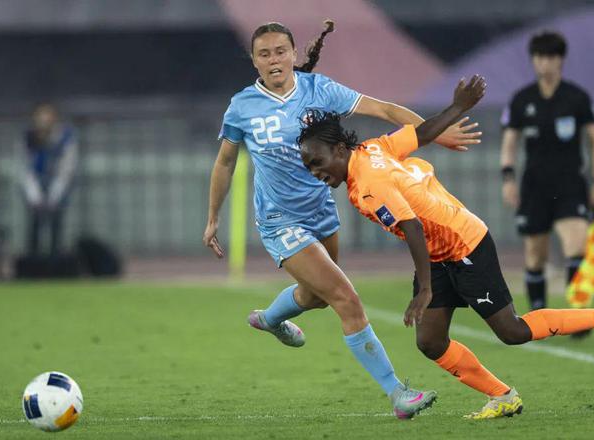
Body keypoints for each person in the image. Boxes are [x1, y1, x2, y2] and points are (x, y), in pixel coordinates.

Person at [296, 75, 594, 419]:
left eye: (317, 162)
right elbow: (422, 133)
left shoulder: (370, 183)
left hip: (464, 244)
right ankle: (502, 396)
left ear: (340, 149)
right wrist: (458, 106)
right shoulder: (371, 149)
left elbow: (412, 227)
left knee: (512, 331)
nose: (314, 171)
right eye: (308, 166)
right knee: (430, 341)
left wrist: (425, 289)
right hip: (439, 252)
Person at [203, 20, 482, 419]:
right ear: (254, 61)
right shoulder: (242, 106)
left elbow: (384, 109)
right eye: (264, 54)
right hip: (280, 221)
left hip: (320, 210)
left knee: (316, 297)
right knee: (346, 299)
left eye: (280, 51)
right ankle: (398, 394)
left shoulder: (320, 90)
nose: (274, 59)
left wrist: (434, 132)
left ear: (293, 53)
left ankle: (271, 319)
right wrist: (213, 217)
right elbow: (225, 162)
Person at [500, 31, 594, 317]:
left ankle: (577, 314)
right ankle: (539, 315)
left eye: (549, 57)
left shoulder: (577, 98)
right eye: (538, 57)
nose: (543, 63)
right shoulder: (522, 99)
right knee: (536, 255)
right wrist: (508, 178)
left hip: (571, 183)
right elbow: (509, 143)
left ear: (560, 60)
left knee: (577, 245)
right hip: (534, 186)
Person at [20, 103, 78, 257]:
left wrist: (55, 194)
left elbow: (67, 168)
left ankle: (55, 259)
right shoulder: (28, 137)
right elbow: (25, 167)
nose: (43, 122)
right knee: (34, 224)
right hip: (36, 186)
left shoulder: (64, 137)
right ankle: (33, 259)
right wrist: (34, 194)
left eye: (47, 118)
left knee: (56, 223)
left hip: (58, 186)